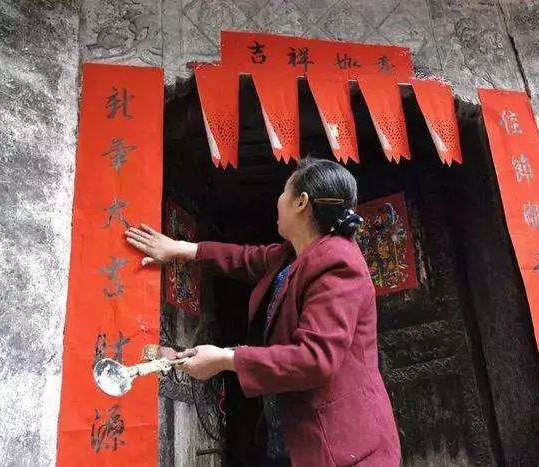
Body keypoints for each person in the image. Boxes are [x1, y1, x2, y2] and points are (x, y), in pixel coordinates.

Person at [124, 157, 401, 466]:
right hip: (294, 435)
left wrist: (225, 359)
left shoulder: (337, 263)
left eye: (284, 191)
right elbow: (245, 258)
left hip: (343, 445)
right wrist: (179, 248)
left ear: (301, 202)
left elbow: (315, 359)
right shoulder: (294, 254)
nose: (278, 199)